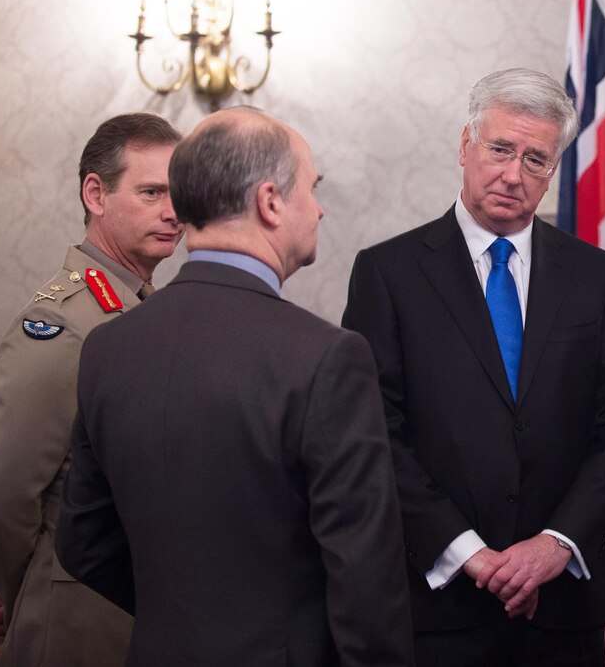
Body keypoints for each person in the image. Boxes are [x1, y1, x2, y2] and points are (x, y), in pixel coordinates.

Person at [55, 107, 414, 666]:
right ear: (271, 202)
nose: (318, 209)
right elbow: (367, 585)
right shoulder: (327, 358)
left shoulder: (108, 347)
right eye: (312, 190)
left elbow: (84, 545)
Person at [342, 68, 605, 665]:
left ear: (554, 170)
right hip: (440, 606)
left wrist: (556, 545)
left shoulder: (596, 276)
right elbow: (376, 431)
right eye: (500, 149)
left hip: (562, 612)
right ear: (465, 145)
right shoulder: (389, 273)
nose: (514, 174)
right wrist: (471, 555)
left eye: (536, 159)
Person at [0, 112, 181, 665]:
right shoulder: (66, 322)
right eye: (150, 193)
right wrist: (28, 590)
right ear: (95, 194)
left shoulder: (136, 310)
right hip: (72, 619)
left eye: (178, 194)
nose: (173, 213)